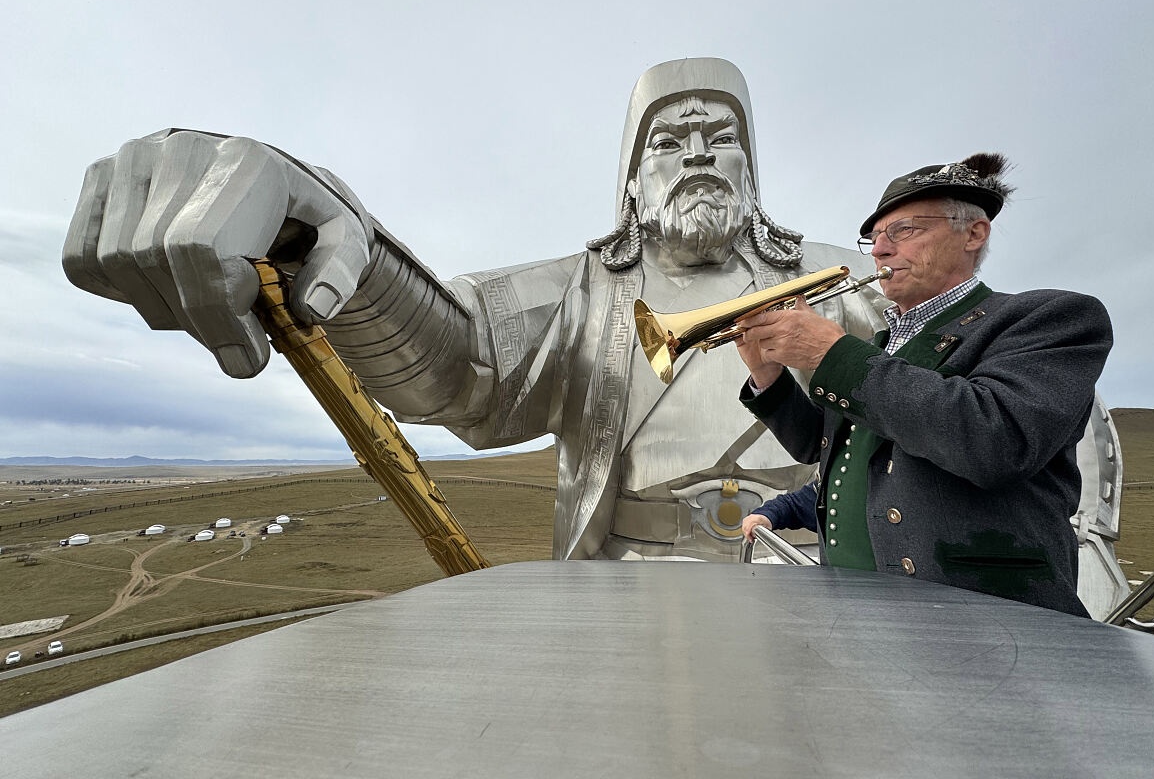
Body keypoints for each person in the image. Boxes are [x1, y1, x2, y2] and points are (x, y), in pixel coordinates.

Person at [61, 58, 888, 562]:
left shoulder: (846, 279)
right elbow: (458, 369)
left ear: (753, 165)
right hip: (633, 579)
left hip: (811, 560)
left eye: (722, 134)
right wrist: (331, 237)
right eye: (668, 139)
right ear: (632, 182)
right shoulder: (583, 288)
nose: (700, 151)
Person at [734, 153, 1112, 616]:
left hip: (984, 617)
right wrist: (766, 375)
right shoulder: (876, 345)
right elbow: (826, 447)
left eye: (904, 231)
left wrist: (832, 356)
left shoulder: (1047, 319)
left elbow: (995, 440)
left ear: (974, 233)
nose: (879, 250)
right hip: (855, 611)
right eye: (874, 238)